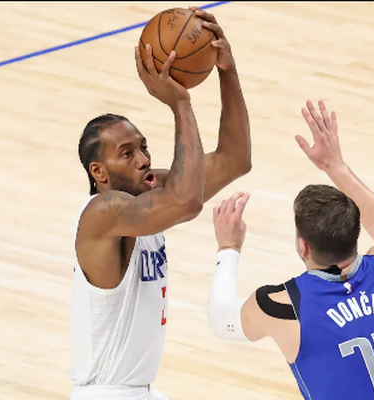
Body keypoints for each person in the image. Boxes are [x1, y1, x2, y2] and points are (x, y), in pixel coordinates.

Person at [69, 8, 251, 400]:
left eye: (144, 147)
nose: (144, 160)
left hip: (143, 390)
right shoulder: (102, 214)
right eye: (127, 153)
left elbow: (235, 159)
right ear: (99, 172)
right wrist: (180, 103)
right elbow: (186, 202)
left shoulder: (149, 194)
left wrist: (227, 70)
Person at [207, 100, 374, 399]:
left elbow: (221, 321)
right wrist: (335, 165)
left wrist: (228, 247)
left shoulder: (283, 306)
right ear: (356, 234)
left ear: (302, 245)